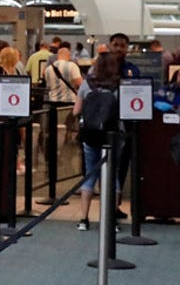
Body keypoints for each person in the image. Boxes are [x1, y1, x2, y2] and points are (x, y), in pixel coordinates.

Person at [73, 52, 122, 231]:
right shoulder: (119, 85)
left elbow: (76, 111)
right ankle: (111, 220)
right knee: (113, 176)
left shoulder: (87, 84)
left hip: (90, 134)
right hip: (112, 135)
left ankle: (84, 219)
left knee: (90, 174)